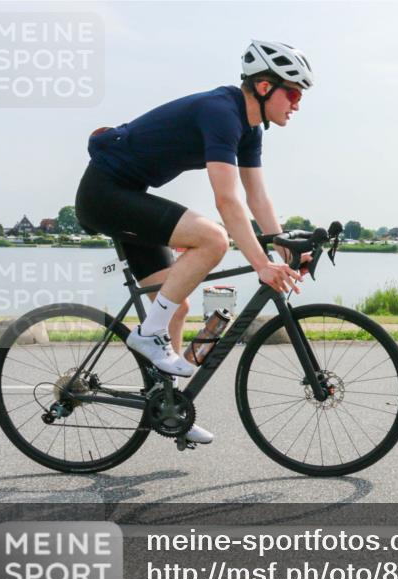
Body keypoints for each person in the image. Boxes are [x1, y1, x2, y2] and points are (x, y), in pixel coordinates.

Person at [75, 40, 314, 444]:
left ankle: (168, 409)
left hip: (128, 193)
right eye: (292, 92)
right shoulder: (221, 112)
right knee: (212, 238)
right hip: (106, 193)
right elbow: (227, 199)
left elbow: (257, 197)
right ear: (262, 87)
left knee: (178, 303)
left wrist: (284, 248)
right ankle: (149, 337)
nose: (297, 104)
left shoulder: (250, 130)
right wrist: (260, 263)